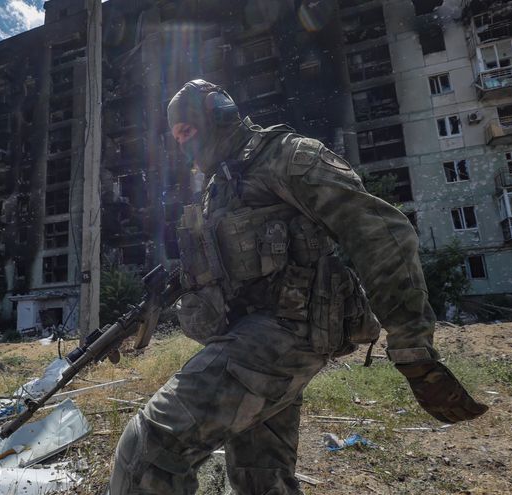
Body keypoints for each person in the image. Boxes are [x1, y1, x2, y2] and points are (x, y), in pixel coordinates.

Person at [108, 79, 487, 494]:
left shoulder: (288, 156)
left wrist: (411, 339)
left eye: (188, 130)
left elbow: (379, 231)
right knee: (261, 478)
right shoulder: (220, 188)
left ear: (216, 114)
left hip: (286, 331)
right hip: (250, 338)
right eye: (176, 135)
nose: (182, 143)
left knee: (149, 448)